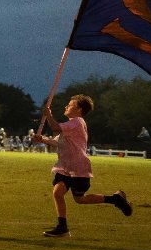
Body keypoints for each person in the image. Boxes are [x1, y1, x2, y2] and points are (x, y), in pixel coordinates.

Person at [34, 95, 132, 237]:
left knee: (80, 199)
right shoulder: (70, 125)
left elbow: (55, 127)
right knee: (57, 192)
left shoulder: (77, 122)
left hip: (79, 168)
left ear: (79, 110)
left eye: (70, 105)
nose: (66, 107)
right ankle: (63, 228)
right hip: (65, 167)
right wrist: (41, 139)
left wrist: (49, 115)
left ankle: (115, 199)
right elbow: (57, 142)